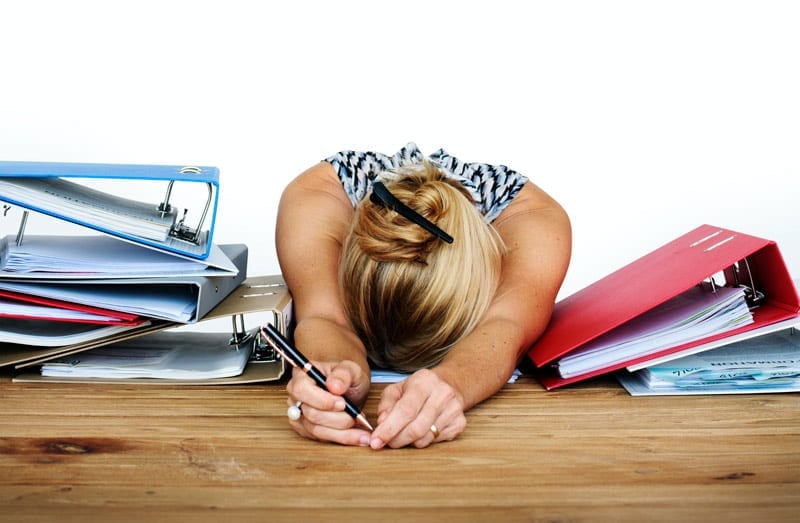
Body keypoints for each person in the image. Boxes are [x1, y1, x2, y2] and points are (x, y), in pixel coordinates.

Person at [275, 143, 571, 449]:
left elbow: (505, 328)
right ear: (342, 262)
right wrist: (334, 371)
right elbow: (325, 316)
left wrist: (452, 383)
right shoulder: (312, 198)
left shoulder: (538, 223)